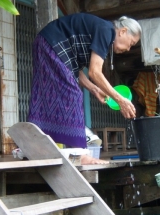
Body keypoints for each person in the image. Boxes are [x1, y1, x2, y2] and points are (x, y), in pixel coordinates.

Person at [28, 13, 141, 164]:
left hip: (46, 43)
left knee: (51, 94)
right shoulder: (107, 31)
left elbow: (75, 69)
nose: (128, 49)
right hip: (50, 43)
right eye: (131, 43)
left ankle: (37, 144)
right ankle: (79, 153)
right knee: (72, 95)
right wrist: (120, 100)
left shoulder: (103, 32)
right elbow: (94, 72)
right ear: (123, 31)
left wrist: (94, 89)